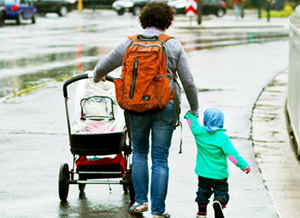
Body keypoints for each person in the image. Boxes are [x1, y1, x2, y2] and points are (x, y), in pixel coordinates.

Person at [92, 2, 199, 217]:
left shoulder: (129, 42)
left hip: (136, 106)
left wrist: (97, 76)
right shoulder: (172, 45)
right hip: (164, 105)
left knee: (140, 153)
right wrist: (195, 109)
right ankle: (159, 210)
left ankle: (140, 202)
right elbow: (188, 82)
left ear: (144, 19)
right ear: (167, 21)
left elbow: (103, 66)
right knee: (160, 159)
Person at [184, 107, 250, 218]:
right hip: (219, 174)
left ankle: (201, 213)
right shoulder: (222, 137)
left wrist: (190, 115)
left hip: (203, 172)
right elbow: (232, 155)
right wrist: (244, 166)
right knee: (221, 192)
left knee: (202, 192)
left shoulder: (199, 133)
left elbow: (192, 124)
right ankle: (219, 202)